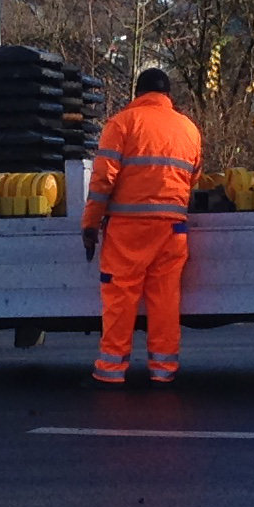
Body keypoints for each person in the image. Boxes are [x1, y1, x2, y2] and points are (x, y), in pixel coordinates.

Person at [83, 67, 203, 386]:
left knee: (120, 297)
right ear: (168, 96)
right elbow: (193, 177)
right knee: (164, 299)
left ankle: (110, 371)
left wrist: (90, 224)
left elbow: (102, 181)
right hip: (173, 229)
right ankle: (163, 371)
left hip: (129, 228)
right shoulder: (189, 129)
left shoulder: (122, 123)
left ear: (137, 93)